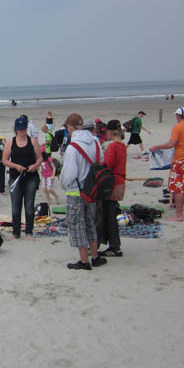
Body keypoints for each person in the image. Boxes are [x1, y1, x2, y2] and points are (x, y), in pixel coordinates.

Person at [60, 113, 107, 270]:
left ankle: (84, 260)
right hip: (92, 190)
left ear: (71, 128)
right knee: (90, 223)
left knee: (77, 225)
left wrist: (63, 184)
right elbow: (101, 162)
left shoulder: (73, 148)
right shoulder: (95, 142)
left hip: (76, 191)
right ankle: (95, 256)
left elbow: (69, 174)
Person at [150, 107, 184, 221]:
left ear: (178, 116)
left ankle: (179, 215)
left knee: (179, 188)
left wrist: (156, 147)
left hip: (181, 160)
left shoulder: (177, 127)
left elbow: (171, 144)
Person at [2, 117, 42, 240]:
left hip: (31, 177)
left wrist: (35, 166)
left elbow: (40, 158)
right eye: (19, 129)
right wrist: (16, 166)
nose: (22, 131)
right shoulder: (10, 142)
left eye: (24, 129)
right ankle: (16, 232)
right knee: (15, 207)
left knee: (29, 206)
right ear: (16, 129)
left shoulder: (33, 141)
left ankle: (29, 232)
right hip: (15, 178)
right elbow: (4, 160)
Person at [97, 120, 127, 257]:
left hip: (113, 183)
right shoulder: (122, 146)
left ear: (109, 132)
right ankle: (113, 245)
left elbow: (107, 165)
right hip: (120, 181)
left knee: (108, 215)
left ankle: (114, 246)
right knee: (111, 212)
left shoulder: (113, 147)